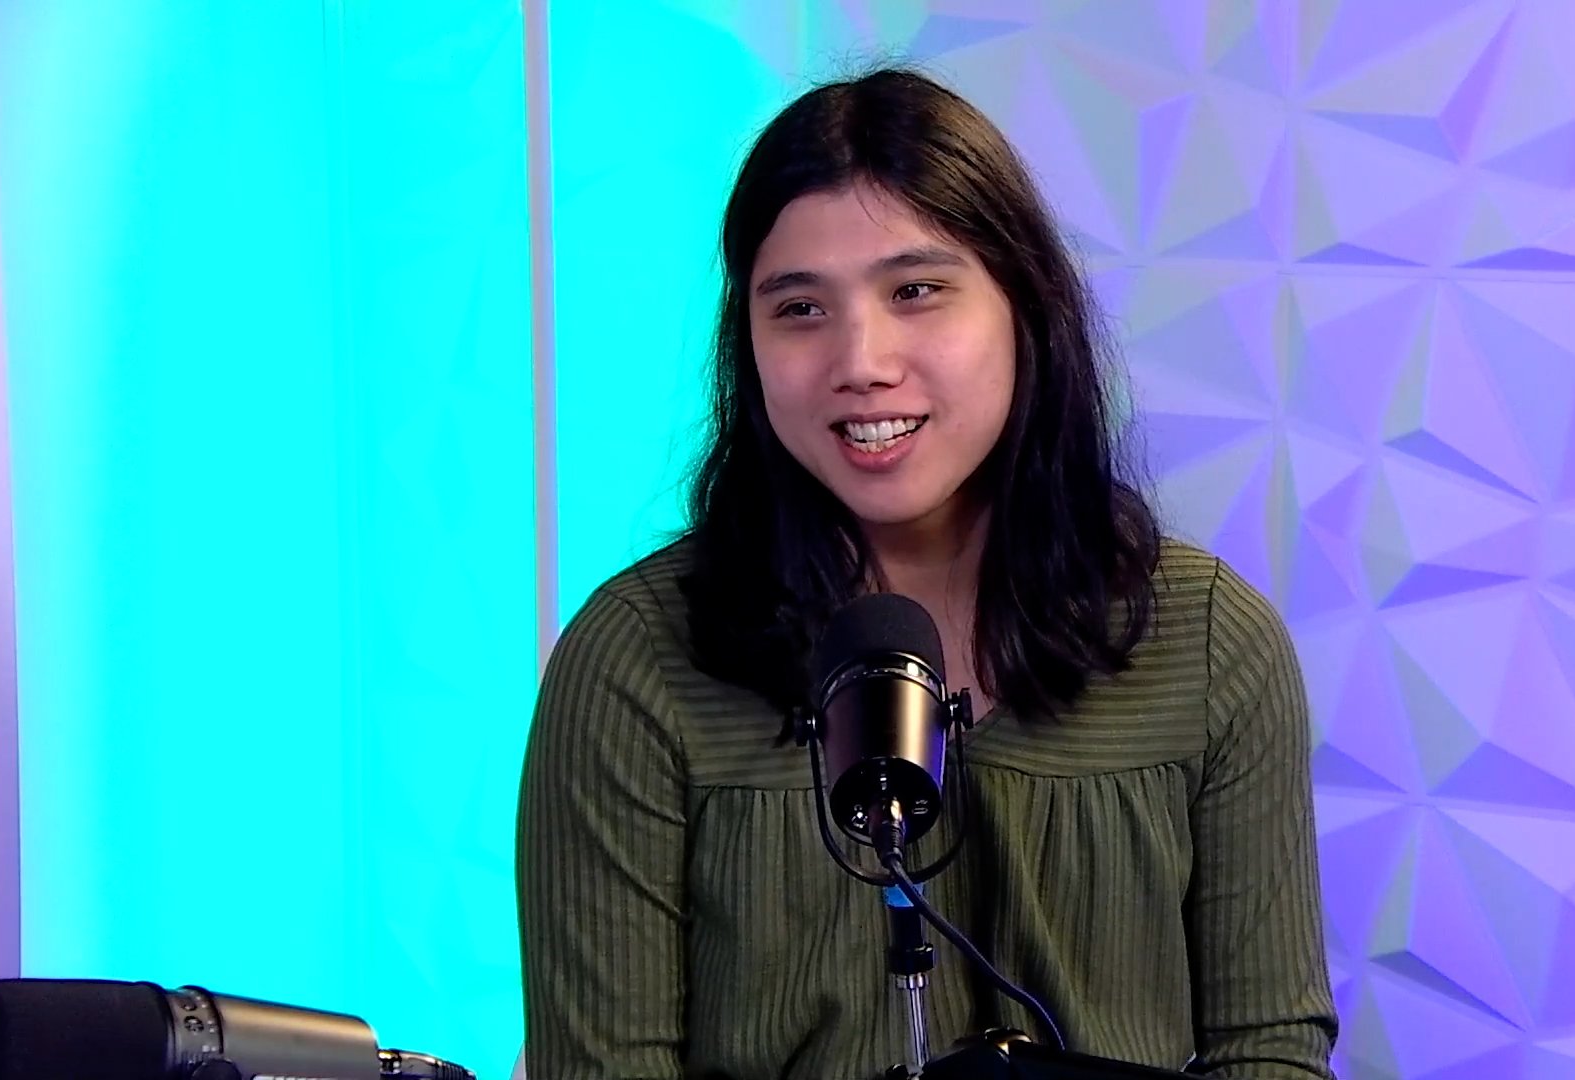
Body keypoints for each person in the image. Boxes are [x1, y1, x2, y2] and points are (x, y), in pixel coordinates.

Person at [515, 66, 1338, 1080]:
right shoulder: (637, 660)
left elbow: (1269, 1049)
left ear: (1025, 307)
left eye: (915, 291)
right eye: (800, 308)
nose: (861, 360)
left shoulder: (1210, 642)